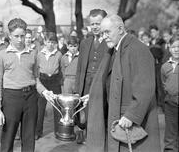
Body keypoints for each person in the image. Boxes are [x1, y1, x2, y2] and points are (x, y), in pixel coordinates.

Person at [87, 14, 160, 152]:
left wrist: (131, 115)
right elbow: (107, 80)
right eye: (102, 33)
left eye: (107, 32)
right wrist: (93, 96)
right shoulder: (114, 50)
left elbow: (146, 87)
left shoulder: (138, 49)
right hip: (115, 116)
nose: (104, 36)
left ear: (120, 29)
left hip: (129, 120)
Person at [0, 18, 54, 152]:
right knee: (8, 138)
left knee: (28, 138)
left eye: (22, 36)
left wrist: (44, 92)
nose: (20, 40)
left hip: (31, 98)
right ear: (10, 36)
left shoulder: (33, 53)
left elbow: (36, 78)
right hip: (11, 98)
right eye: (16, 36)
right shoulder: (2, 55)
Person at [75, 9, 108, 144]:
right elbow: (80, 68)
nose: (94, 27)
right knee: (86, 118)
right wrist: (78, 90)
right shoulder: (85, 43)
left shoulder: (110, 42)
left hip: (103, 87)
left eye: (98, 23)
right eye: (92, 24)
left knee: (100, 119)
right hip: (86, 86)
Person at [35, 32, 62, 140]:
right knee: (40, 107)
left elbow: (62, 69)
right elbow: (36, 68)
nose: (50, 44)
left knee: (57, 107)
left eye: (52, 42)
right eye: (48, 42)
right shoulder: (39, 54)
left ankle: (58, 131)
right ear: (45, 42)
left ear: (55, 43)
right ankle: (38, 131)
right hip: (43, 80)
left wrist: (59, 80)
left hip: (54, 80)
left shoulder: (59, 54)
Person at [161, 35, 179, 152]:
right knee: (170, 132)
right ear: (169, 48)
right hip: (171, 102)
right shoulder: (165, 66)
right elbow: (163, 84)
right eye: (173, 47)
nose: (176, 49)